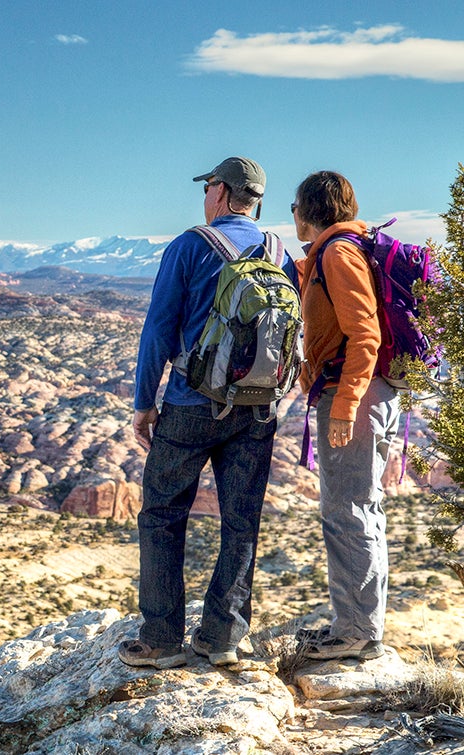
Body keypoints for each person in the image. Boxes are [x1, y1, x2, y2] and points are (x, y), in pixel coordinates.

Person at [119, 156, 299, 669]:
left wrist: (143, 403)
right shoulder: (277, 251)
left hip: (191, 405)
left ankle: (160, 639)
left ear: (220, 192)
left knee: (161, 515)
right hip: (257, 409)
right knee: (241, 522)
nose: (205, 195)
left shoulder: (191, 245)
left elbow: (157, 329)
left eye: (208, 187)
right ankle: (222, 637)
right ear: (256, 200)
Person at [291, 170, 396, 661]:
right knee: (360, 509)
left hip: (354, 396)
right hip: (369, 392)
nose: (291, 215)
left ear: (309, 210)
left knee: (347, 511)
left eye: (294, 206)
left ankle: (355, 633)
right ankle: (357, 625)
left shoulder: (337, 252)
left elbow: (366, 334)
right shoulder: (337, 250)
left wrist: (346, 406)